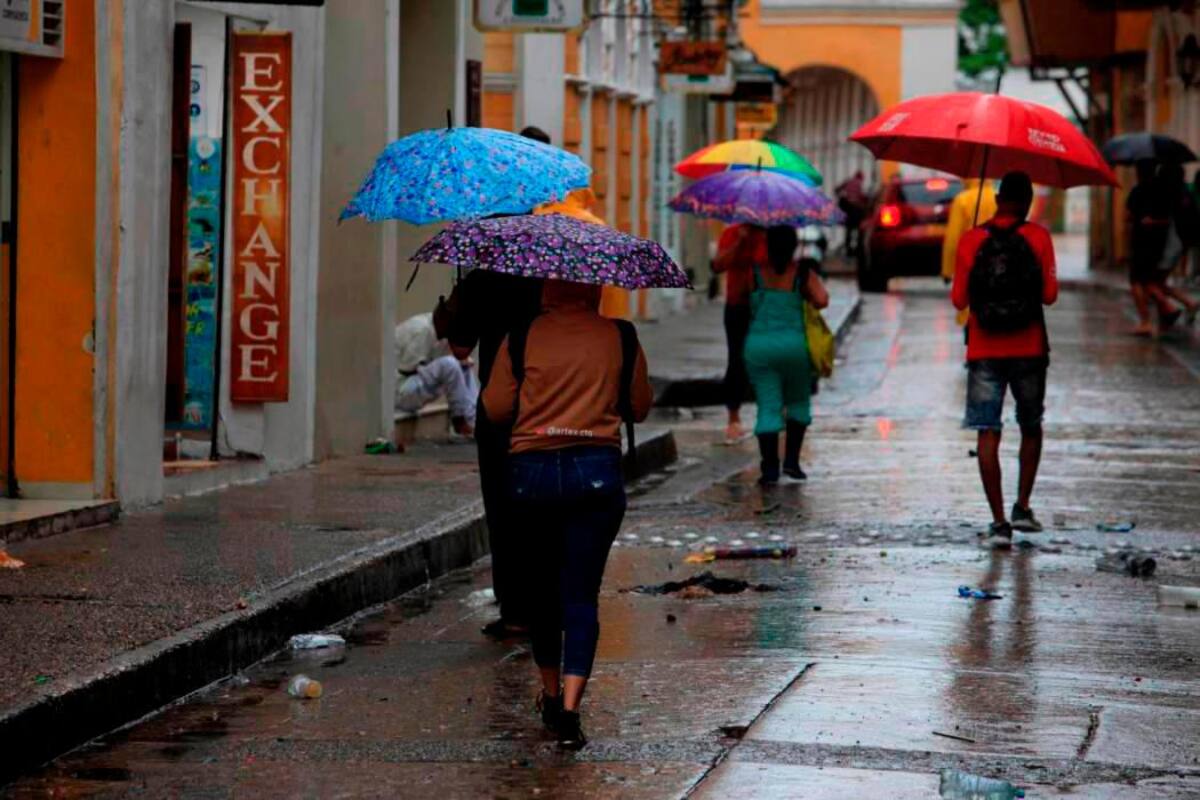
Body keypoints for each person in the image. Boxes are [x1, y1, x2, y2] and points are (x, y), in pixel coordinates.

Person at [481, 279, 653, 750]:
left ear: (547, 290)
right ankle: (573, 709)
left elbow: (495, 409)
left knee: (541, 594)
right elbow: (639, 405)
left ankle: (551, 693)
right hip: (595, 475)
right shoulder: (620, 335)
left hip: (531, 475)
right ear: (595, 288)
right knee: (581, 595)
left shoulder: (520, 337)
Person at [952, 171, 1058, 549]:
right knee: (1030, 425)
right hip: (1029, 347)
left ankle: (998, 522)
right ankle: (1022, 507)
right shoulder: (1039, 237)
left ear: (997, 198)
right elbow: (1049, 295)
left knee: (987, 431)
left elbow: (958, 301)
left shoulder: (972, 240)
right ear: (1027, 200)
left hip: (984, 349)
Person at [743, 226, 830, 486]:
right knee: (797, 403)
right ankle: (792, 462)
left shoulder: (755, 272)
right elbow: (822, 300)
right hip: (795, 347)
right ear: (793, 246)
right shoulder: (801, 273)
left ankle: (769, 468)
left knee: (768, 405)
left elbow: (742, 300)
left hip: (760, 347)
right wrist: (806, 276)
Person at [712, 223, 768, 444]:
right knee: (736, 359)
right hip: (737, 305)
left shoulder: (770, 235)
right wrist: (740, 243)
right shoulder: (731, 233)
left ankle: (771, 411)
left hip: (764, 307)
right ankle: (733, 418)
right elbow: (718, 265)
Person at [394, 313, 479, 436]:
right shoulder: (421, 330)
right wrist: (438, 367)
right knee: (450, 365)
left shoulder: (442, 334)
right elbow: (406, 369)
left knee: (462, 365)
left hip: (413, 387)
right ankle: (459, 421)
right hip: (398, 390)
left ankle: (475, 422)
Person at [1126, 160, 1181, 335]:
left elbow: (1128, 215)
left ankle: (1147, 320)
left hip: (1141, 241)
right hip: (1159, 244)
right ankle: (1167, 309)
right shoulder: (1164, 190)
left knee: (1136, 282)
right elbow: (1169, 217)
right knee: (1150, 281)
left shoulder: (1138, 190)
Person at [1153, 162, 1200, 324]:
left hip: (1170, 244)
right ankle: (1171, 311)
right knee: (1158, 282)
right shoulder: (1186, 192)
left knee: (1152, 282)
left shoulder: (1169, 194)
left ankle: (1184, 305)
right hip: (1181, 243)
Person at [835, 170, 869, 258]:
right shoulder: (858, 183)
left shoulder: (848, 181)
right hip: (856, 211)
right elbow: (861, 197)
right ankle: (858, 249)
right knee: (858, 230)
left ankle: (848, 250)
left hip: (848, 210)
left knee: (848, 230)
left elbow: (837, 189)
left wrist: (843, 197)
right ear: (860, 177)